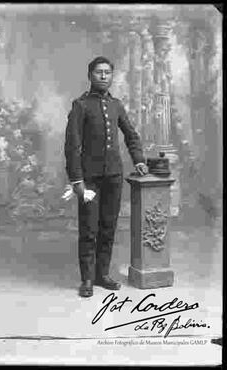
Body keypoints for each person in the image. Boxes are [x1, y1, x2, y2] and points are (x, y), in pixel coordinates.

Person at [64, 56, 148, 297]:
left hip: (113, 176)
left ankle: (102, 275)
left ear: (112, 76)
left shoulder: (116, 105)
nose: (103, 76)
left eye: (107, 72)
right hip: (89, 179)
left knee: (108, 227)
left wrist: (139, 160)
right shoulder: (80, 105)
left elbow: (131, 136)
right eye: (98, 72)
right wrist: (76, 179)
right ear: (90, 75)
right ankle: (87, 279)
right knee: (89, 228)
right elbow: (72, 146)